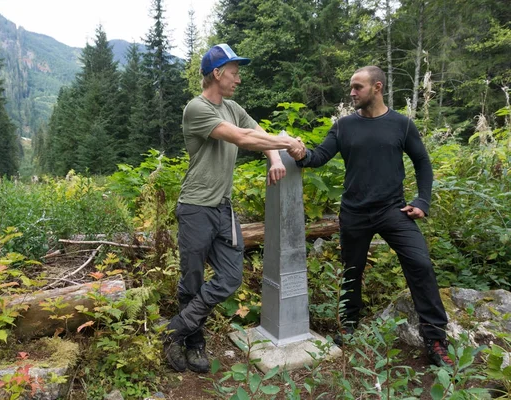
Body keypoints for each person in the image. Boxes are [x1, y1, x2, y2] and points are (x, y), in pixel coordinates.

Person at [289, 66, 453, 367]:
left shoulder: (401, 125)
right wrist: (299, 153)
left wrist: (422, 201)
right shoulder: (344, 126)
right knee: (351, 271)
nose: (352, 93)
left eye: (358, 87)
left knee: (420, 263)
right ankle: (348, 327)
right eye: (351, 87)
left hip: (393, 210)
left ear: (377, 87)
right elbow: (318, 157)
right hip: (354, 212)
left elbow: (422, 163)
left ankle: (435, 339)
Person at [164, 43, 306, 373]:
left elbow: (256, 131)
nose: (238, 80)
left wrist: (274, 159)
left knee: (230, 277)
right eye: (234, 73)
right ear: (217, 73)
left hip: (222, 209)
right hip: (196, 207)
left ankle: (173, 331)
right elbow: (241, 138)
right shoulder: (197, 109)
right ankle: (194, 344)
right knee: (193, 279)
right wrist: (286, 143)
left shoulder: (233, 107)